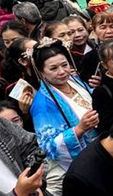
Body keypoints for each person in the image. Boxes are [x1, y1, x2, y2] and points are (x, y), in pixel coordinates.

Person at [29, 39, 99, 172]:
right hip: (88, 157)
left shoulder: (74, 79)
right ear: (41, 72)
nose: (62, 72)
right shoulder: (42, 104)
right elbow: (48, 146)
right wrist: (79, 128)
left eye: (64, 65)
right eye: (53, 68)